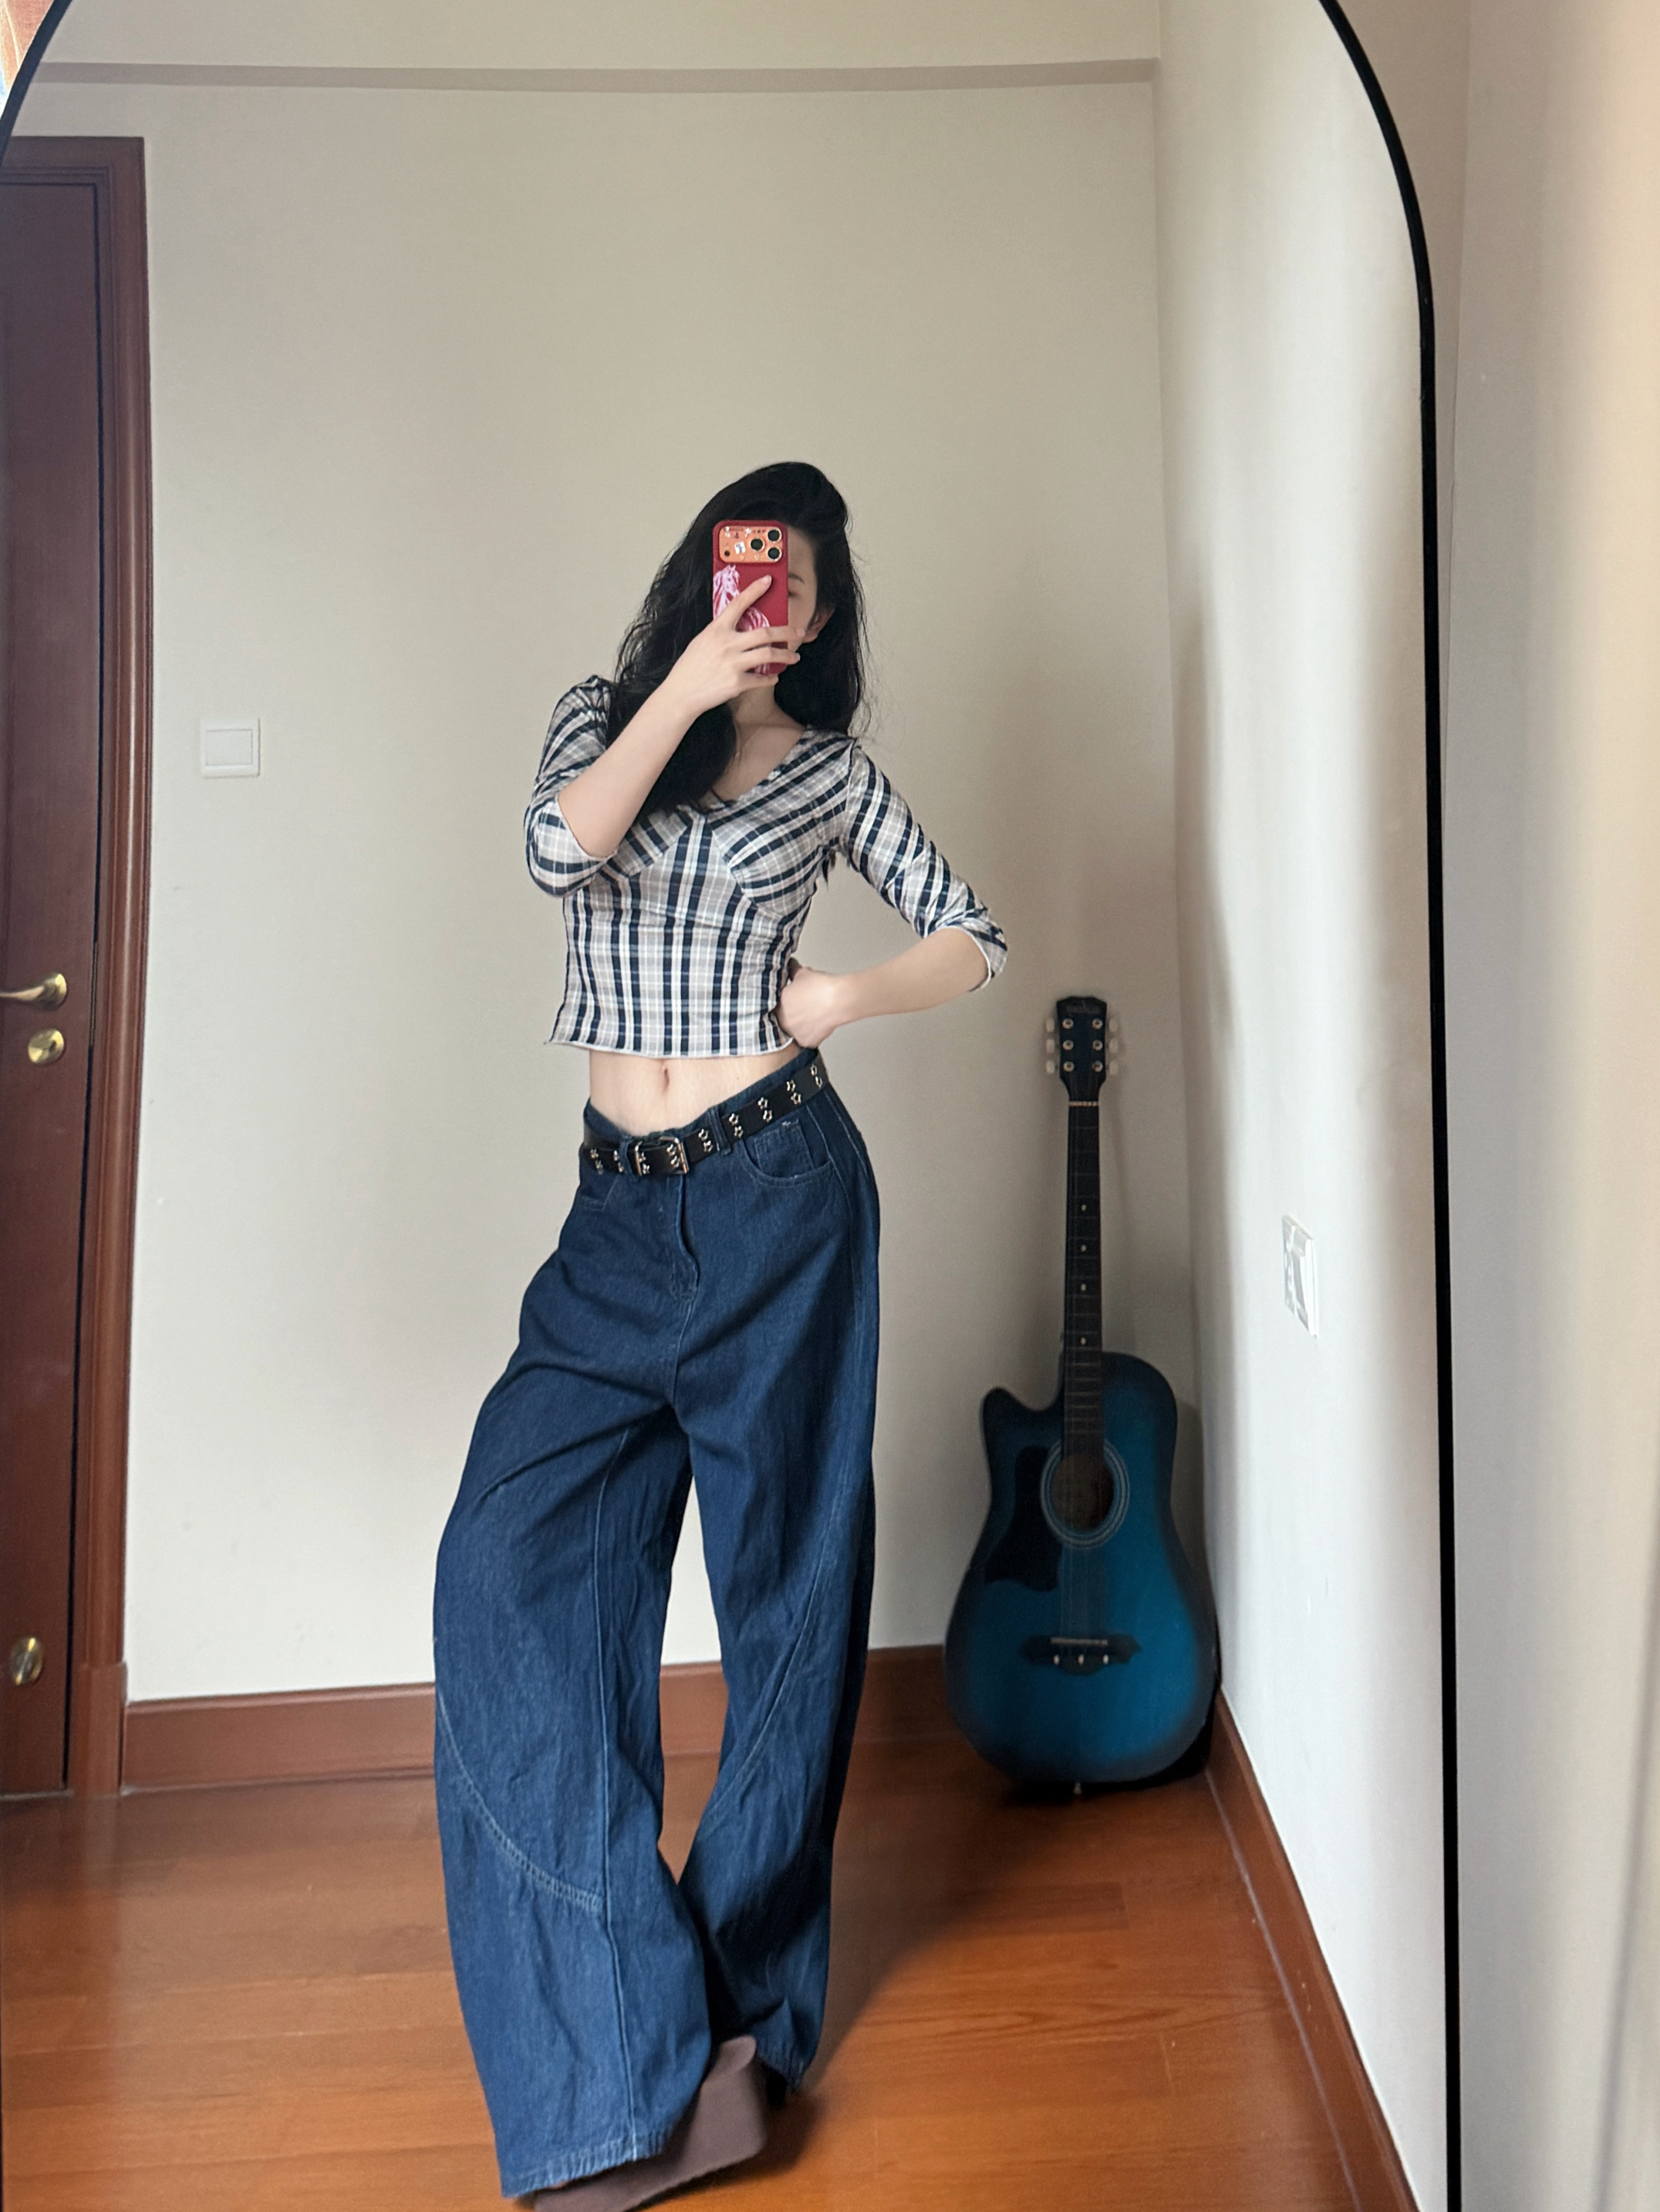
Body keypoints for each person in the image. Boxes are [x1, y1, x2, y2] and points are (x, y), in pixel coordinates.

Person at [432, 461, 1007, 2206]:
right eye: (748, 567)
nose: (771, 598)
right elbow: (557, 849)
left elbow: (972, 938)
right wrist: (684, 687)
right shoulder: (603, 722)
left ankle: (745, 2033)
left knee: (789, 1609)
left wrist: (842, 996)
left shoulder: (831, 773)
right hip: (615, 1220)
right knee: (505, 1572)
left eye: (797, 586)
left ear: (821, 620)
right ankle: (625, 2052)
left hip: (779, 1197)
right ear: (704, 575)